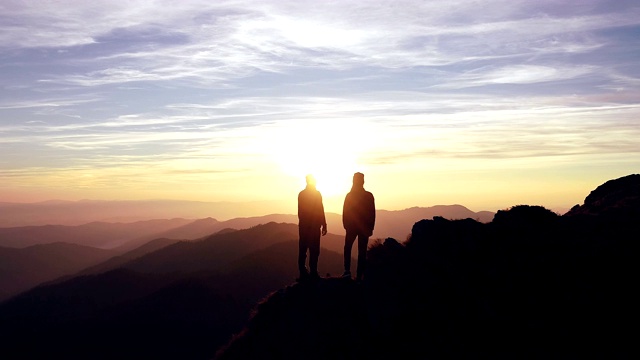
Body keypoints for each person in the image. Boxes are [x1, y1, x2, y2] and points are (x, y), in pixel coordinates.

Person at [342, 172, 375, 281]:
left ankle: (347, 271)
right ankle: (359, 275)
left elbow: (345, 211)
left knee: (348, 248)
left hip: (352, 227)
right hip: (363, 228)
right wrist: (370, 227)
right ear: (363, 181)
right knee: (362, 251)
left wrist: (346, 225)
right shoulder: (368, 195)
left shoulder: (350, 195)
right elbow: (372, 213)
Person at [297, 174, 327, 281]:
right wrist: (323, 223)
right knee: (313, 250)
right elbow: (320, 209)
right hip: (313, 226)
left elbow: (301, 213)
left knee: (304, 249)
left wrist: (323, 223)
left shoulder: (302, 194)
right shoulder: (316, 194)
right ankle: (312, 272)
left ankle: (304, 272)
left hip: (305, 226)